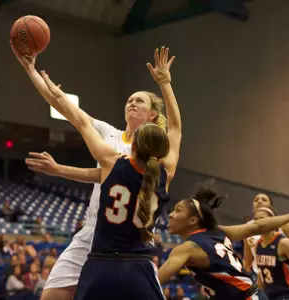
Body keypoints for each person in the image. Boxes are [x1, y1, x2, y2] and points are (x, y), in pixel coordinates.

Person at [14, 42, 180, 300]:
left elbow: (73, 115)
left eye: (139, 100)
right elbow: (66, 113)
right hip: (101, 234)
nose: (132, 103)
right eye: (129, 99)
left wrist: (35, 72)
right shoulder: (117, 140)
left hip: (120, 241)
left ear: (153, 115)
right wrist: (59, 170)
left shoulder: (114, 155)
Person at [157, 185, 289, 300]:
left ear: (193, 220)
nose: (170, 214)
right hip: (256, 294)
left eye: (177, 210)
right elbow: (256, 227)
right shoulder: (218, 232)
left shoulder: (186, 249)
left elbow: (155, 282)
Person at [243, 193, 289, 294]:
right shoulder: (246, 229)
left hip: (285, 276)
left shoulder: (284, 226)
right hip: (264, 276)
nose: (259, 201)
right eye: (256, 199)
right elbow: (247, 263)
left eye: (264, 199)